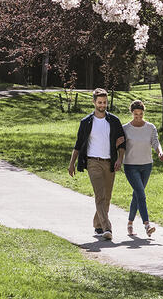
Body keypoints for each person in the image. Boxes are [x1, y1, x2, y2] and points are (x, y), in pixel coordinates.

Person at [69, 88, 126, 241]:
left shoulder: (114, 121)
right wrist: (72, 163)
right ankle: (107, 228)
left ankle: (97, 224)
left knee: (107, 196)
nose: (102, 105)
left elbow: (122, 143)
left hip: (110, 162)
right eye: (99, 102)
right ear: (94, 102)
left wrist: (120, 159)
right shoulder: (86, 122)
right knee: (100, 195)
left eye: (104, 102)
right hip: (93, 162)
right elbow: (78, 144)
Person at [122, 100, 163, 237]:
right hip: (130, 165)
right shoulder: (125, 128)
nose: (138, 117)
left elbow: (155, 142)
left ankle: (130, 223)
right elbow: (120, 147)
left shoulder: (150, 127)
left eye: (140, 114)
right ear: (132, 113)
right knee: (141, 194)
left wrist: (159, 152)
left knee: (137, 194)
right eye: (136, 114)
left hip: (146, 165)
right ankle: (147, 225)